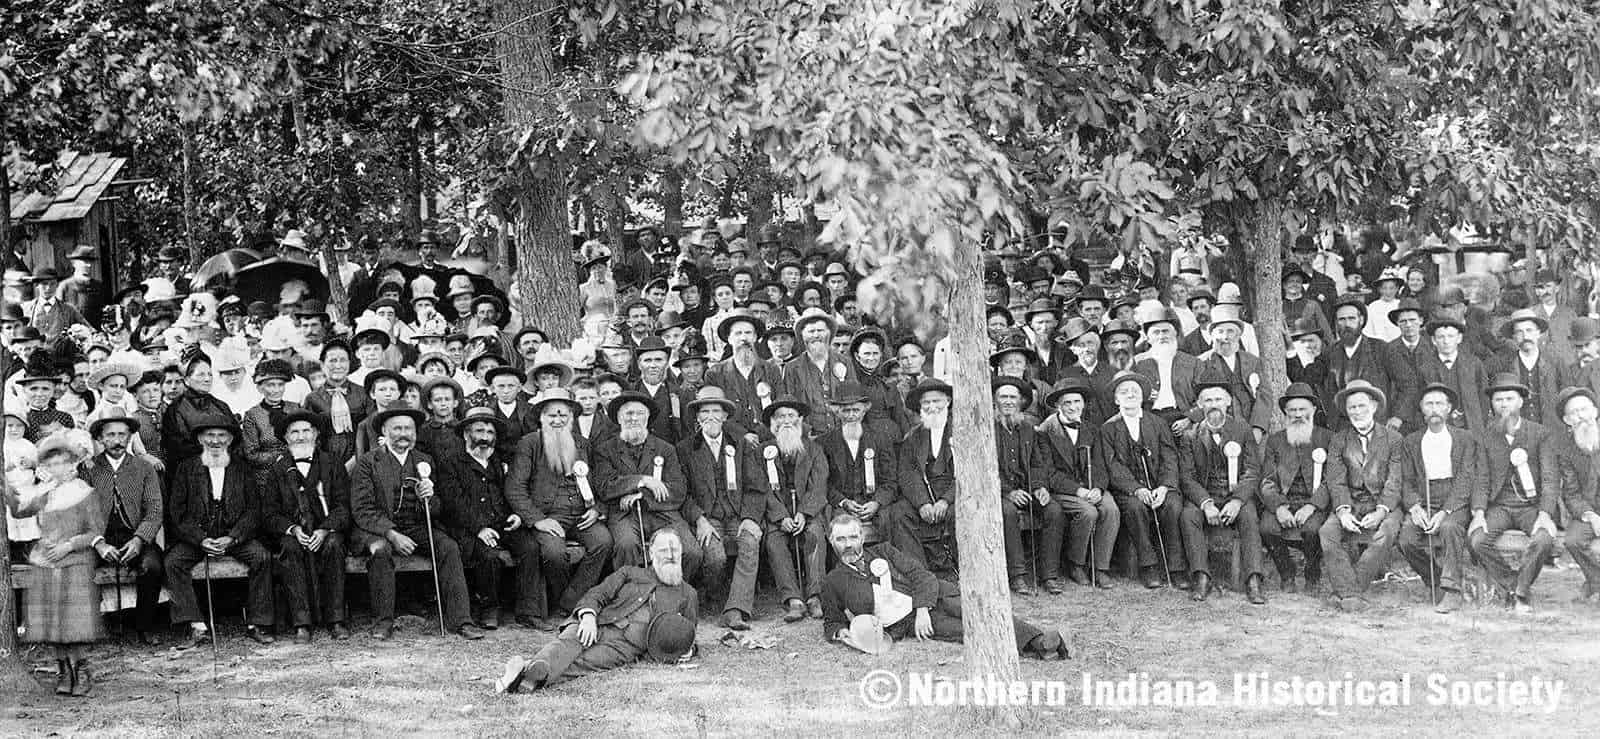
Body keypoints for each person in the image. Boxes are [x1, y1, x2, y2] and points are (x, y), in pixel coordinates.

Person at [818, 515, 1067, 659]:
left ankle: (1039, 640)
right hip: (902, 623)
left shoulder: (883, 551)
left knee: (979, 613)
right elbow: (832, 621)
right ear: (831, 542)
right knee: (965, 630)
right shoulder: (832, 581)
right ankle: (1036, 645)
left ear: (862, 537)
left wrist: (923, 609)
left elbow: (921, 575)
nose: (848, 544)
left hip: (932, 597)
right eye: (841, 539)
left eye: (852, 537)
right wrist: (844, 634)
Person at [493, 528, 698, 694]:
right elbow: (598, 594)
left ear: (682, 553)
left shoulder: (688, 594)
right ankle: (530, 677)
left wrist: (685, 650)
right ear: (651, 553)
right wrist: (589, 617)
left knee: (585, 663)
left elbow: (688, 635)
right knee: (568, 642)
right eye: (664, 551)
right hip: (598, 622)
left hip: (626, 645)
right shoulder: (629, 573)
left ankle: (524, 674)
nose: (670, 556)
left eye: (675, 551)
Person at [349, 406, 485, 640]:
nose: (404, 433)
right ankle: (383, 621)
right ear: (384, 430)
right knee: (380, 551)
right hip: (378, 528)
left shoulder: (424, 460)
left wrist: (428, 498)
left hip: (416, 525)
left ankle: (461, 620)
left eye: (408, 428)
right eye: (397, 428)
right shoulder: (368, 462)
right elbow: (362, 509)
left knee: (449, 547)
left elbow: (438, 508)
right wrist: (391, 534)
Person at [5, 429, 104, 696]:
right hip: (47, 560)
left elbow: (95, 531)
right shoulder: (46, 492)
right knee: (53, 622)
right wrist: (7, 488)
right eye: (49, 463)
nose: (55, 468)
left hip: (76, 560)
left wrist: (68, 546)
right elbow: (19, 510)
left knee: (75, 621)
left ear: (73, 464)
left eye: (61, 462)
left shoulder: (85, 492)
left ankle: (82, 671)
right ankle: (63, 671)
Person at [164, 416, 277, 647]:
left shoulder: (242, 468)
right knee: (173, 562)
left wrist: (234, 537)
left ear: (231, 439)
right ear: (199, 439)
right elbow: (177, 512)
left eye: (221, 436)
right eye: (210, 436)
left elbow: (254, 510)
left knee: (262, 557)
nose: (216, 441)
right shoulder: (186, 468)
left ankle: (258, 623)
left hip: (233, 535)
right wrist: (200, 539)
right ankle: (195, 625)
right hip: (198, 536)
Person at [506, 388, 613, 628]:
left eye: (563, 415)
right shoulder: (530, 443)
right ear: (541, 417)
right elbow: (515, 487)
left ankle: (568, 604)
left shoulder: (583, 445)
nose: (557, 421)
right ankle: (565, 604)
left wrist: (596, 508)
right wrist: (537, 520)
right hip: (547, 516)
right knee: (554, 553)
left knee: (603, 542)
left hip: (582, 515)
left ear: (571, 418)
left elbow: (600, 482)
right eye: (551, 415)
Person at [438, 405, 540, 630]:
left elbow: (509, 492)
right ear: (466, 434)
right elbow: (453, 503)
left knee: (530, 547)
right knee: (490, 556)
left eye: (490, 432)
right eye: (479, 431)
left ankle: (528, 610)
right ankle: (489, 608)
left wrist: (515, 515)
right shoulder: (451, 462)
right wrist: (479, 529)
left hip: (500, 523)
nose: (485, 437)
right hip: (468, 528)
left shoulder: (497, 460)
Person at [260, 410, 351, 642]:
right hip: (295, 532)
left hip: (326, 531)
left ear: (316, 434)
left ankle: (336, 619)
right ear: (287, 438)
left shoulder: (332, 463)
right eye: (294, 432)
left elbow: (343, 506)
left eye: (306, 431)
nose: (301, 437)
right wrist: (292, 529)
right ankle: (302, 622)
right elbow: (269, 513)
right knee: (289, 548)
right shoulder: (277, 469)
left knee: (334, 545)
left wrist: (325, 529)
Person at [1468, 373, 1556, 613]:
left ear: (1520, 402)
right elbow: (1482, 479)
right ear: (1493, 404)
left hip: (1531, 507)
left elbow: (1550, 478)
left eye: (1509, 398)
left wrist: (1546, 513)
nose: (1504, 404)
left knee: (1543, 539)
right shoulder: (1485, 437)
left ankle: (1520, 592)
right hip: (1500, 507)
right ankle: (1514, 585)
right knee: (1477, 540)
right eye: (1498, 400)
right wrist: (1478, 513)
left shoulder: (1540, 434)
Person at [676, 392, 765, 629]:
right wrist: (699, 519)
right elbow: (681, 493)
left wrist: (750, 518)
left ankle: (736, 609)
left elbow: (756, 486)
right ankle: (714, 596)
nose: (711, 417)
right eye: (705, 412)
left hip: (738, 515)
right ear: (697, 417)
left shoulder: (741, 445)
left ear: (725, 415)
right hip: (708, 517)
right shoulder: (685, 449)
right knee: (715, 557)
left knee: (750, 543)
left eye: (716, 411)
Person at [1176, 374, 1266, 603]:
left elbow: (1252, 471)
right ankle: (1201, 576)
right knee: (1188, 516)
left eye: (1218, 399)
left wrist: (1236, 501)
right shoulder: (1190, 435)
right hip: (1205, 496)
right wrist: (1205, 504)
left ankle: (1253, 578)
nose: (1213, 404)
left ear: (1228, 402)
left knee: (1249, 514)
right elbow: (1187, 477)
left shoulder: (1242, 430)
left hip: (1235, 495)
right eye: (1207, 400)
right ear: (1199, 405)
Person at [1396, 383, 1484, 614]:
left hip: (1454, 499)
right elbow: (1406, 479)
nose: (1434, 409)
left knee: (1449, 528)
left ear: (1449, 409)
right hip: (1424, 498)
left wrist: (1445, 510)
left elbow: (1466, 477)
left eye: (1439, 404)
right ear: (1422, 409)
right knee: (1405, 539)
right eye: (1429, 404)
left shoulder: (1465, 438)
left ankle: (1452, 591)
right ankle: (1436, 581)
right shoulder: (1412, 441)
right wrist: (1415, 507)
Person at [593, 391, 700, 575]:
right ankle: (633, 595)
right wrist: (642, 480)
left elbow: (678, 489)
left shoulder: (665, 449)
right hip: (625, 514)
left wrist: (640, 494)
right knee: (627, 545)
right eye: (628, 413)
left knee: (691, 551)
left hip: (663, 512)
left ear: (648, 418)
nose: (634, 418)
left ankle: (673, 594)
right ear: (619, 418)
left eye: (640, 413)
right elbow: (605, 486)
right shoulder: (605, 450)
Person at [82, 416, 165, 644]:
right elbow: (81, 511)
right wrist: (98, 543)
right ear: (100, 438)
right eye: (110, 435)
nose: (117, 440)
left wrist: (139, 540)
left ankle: (144, 625)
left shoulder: (144, 467)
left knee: (152, 566)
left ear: (129, 437)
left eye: (122, 435)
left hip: (134, 534)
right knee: (78, 566)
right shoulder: (89, 468)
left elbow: (155, 509)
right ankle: (89, 627)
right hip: (100, 537)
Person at [1101, 370, 1187, 589]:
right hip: (1129, 491)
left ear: (1143, 396)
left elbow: (1169, 457)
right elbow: (1112, 465)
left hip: (1160, 487)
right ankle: (1148, 566)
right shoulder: (1108, 428)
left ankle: (1176, 568)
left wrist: (1164, 488)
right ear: (1116, 398)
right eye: (1124, 391)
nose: (1130, 395)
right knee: (1135, 508)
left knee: (1173, 507)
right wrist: (1137, 489)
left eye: (1135, 391)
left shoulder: (1158, 423)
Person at [1036, 377, 1119, 589]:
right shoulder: (1045, 431)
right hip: (1063, 490)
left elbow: (1101, 464)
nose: (1073, 407)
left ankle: (1100, 568)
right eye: (1067, 403)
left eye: (1077, 402)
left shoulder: (1092, 429)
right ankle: (1076, 564)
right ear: (1058, 405)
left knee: (1110, 508)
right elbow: (1049, 473)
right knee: (1088, 512)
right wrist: (1078, 490)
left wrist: (1098, 488)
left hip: (1091, 487)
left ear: (1083, 403)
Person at [1256, 383, 1331, 593]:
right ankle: (1287, 573)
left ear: (1313, 410)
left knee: (1313, 530)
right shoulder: (1275, 440)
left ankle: (1312, 574)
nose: (1298, 415)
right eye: (1293, 410)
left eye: (1303, 409)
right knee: (1267, 528)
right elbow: (1268, 480)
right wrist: (1279, 507)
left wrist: (1312, 506)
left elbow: (1331, 479)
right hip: (1284, 501)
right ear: (1286, 413)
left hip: (1315, 503)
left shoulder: (1326, 438)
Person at [758, 395, 828, 622]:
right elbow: (761, 490)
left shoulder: (814, 449)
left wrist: (804, 513)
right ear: (773, 423)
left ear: (800, 420)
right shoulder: (762, 451)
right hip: (777, 514)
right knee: (774, 540)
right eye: (780, 416)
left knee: (815, 534)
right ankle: (793, 599)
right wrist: (781, 517)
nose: (786, 421)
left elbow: (819, 486)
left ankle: (815, 596)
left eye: (791, 415)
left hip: (808, 512)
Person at [991, 377, 1062, 596]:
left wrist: (1039, 487)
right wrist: (1008, 492)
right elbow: (984, 469)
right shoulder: (986, 428)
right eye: (1004, 396)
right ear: (995, 400)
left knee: (1054, 511)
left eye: (1013, 397)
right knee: (1008, 512)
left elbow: (1036, 463)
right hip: (998, 493)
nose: (1009, 402)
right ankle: (1018, 575)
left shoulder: (1028, 428)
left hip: (1026, 489)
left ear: (1021, 401)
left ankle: (1049, 575)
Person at [890, 379, 959, 575]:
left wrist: (946, 501)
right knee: (899, 513)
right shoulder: (913, 437)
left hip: (955, 495)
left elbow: (967, 474)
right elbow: (907, 473)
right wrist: (922, 503)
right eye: (926, 403)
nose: (932, 407)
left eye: (936, 401)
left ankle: (962, 568)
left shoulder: (962, 431)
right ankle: (919, 573)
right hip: (925, 495)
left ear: (947, 401)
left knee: (961, 513)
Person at [1549, 387, 1600, 600]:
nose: (1581, 417)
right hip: (1589, 511)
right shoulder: (1566, 451)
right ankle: (1597, 581)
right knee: (1572, 540)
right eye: (1574, 414)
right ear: (1567, 421)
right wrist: (1590, 515)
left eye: (1584, 410)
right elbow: (1571, 494)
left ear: (1595, 411)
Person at [780, 309, 856, 438]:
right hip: (810, 438)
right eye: (811, 331)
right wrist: (804, 431)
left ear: (829, 334)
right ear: (803, 336)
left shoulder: (845, 362)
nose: (816, 335)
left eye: (820, 331)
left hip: (842, 434)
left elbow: (854, 399)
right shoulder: (792, 368)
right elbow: (789, 405)